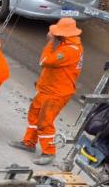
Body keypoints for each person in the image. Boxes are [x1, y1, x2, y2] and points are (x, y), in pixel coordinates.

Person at [9, 17, 84, 165]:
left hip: (57, 93)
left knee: (45, 121)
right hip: (47, 88)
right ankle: (29, 142)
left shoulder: (70, 50)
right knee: (34, 114)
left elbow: (45, 61)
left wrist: (50, 42)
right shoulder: (67, 45)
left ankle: (49, 152)